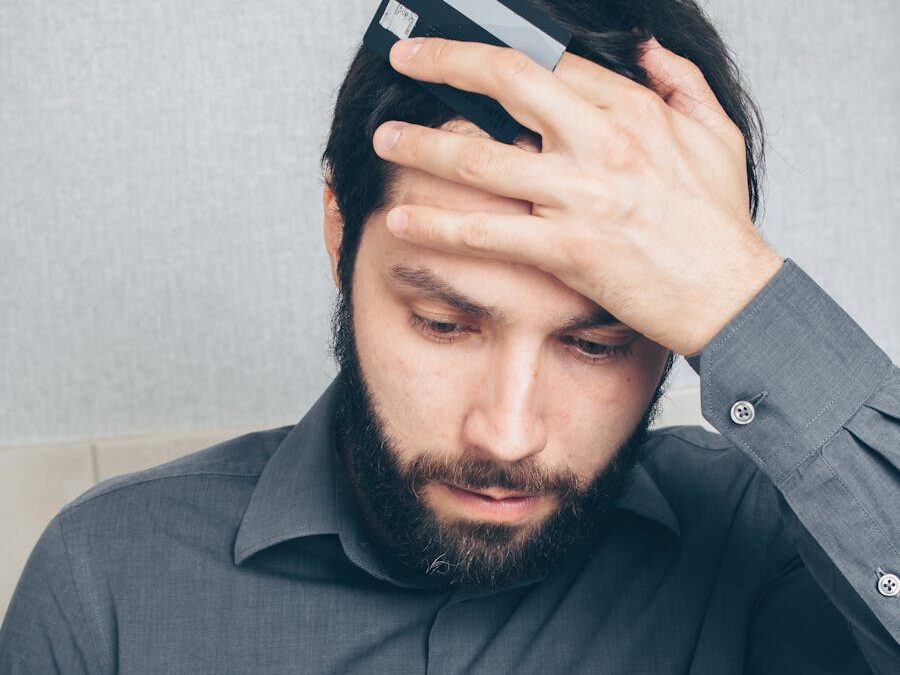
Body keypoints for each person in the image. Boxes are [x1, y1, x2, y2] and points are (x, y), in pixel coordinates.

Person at [1, 0, 897, 672]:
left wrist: (742, 294)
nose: (507, 435)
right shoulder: (107, 585)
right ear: (338, 234)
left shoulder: (774, 541)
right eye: (444, 323)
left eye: (596, 344)